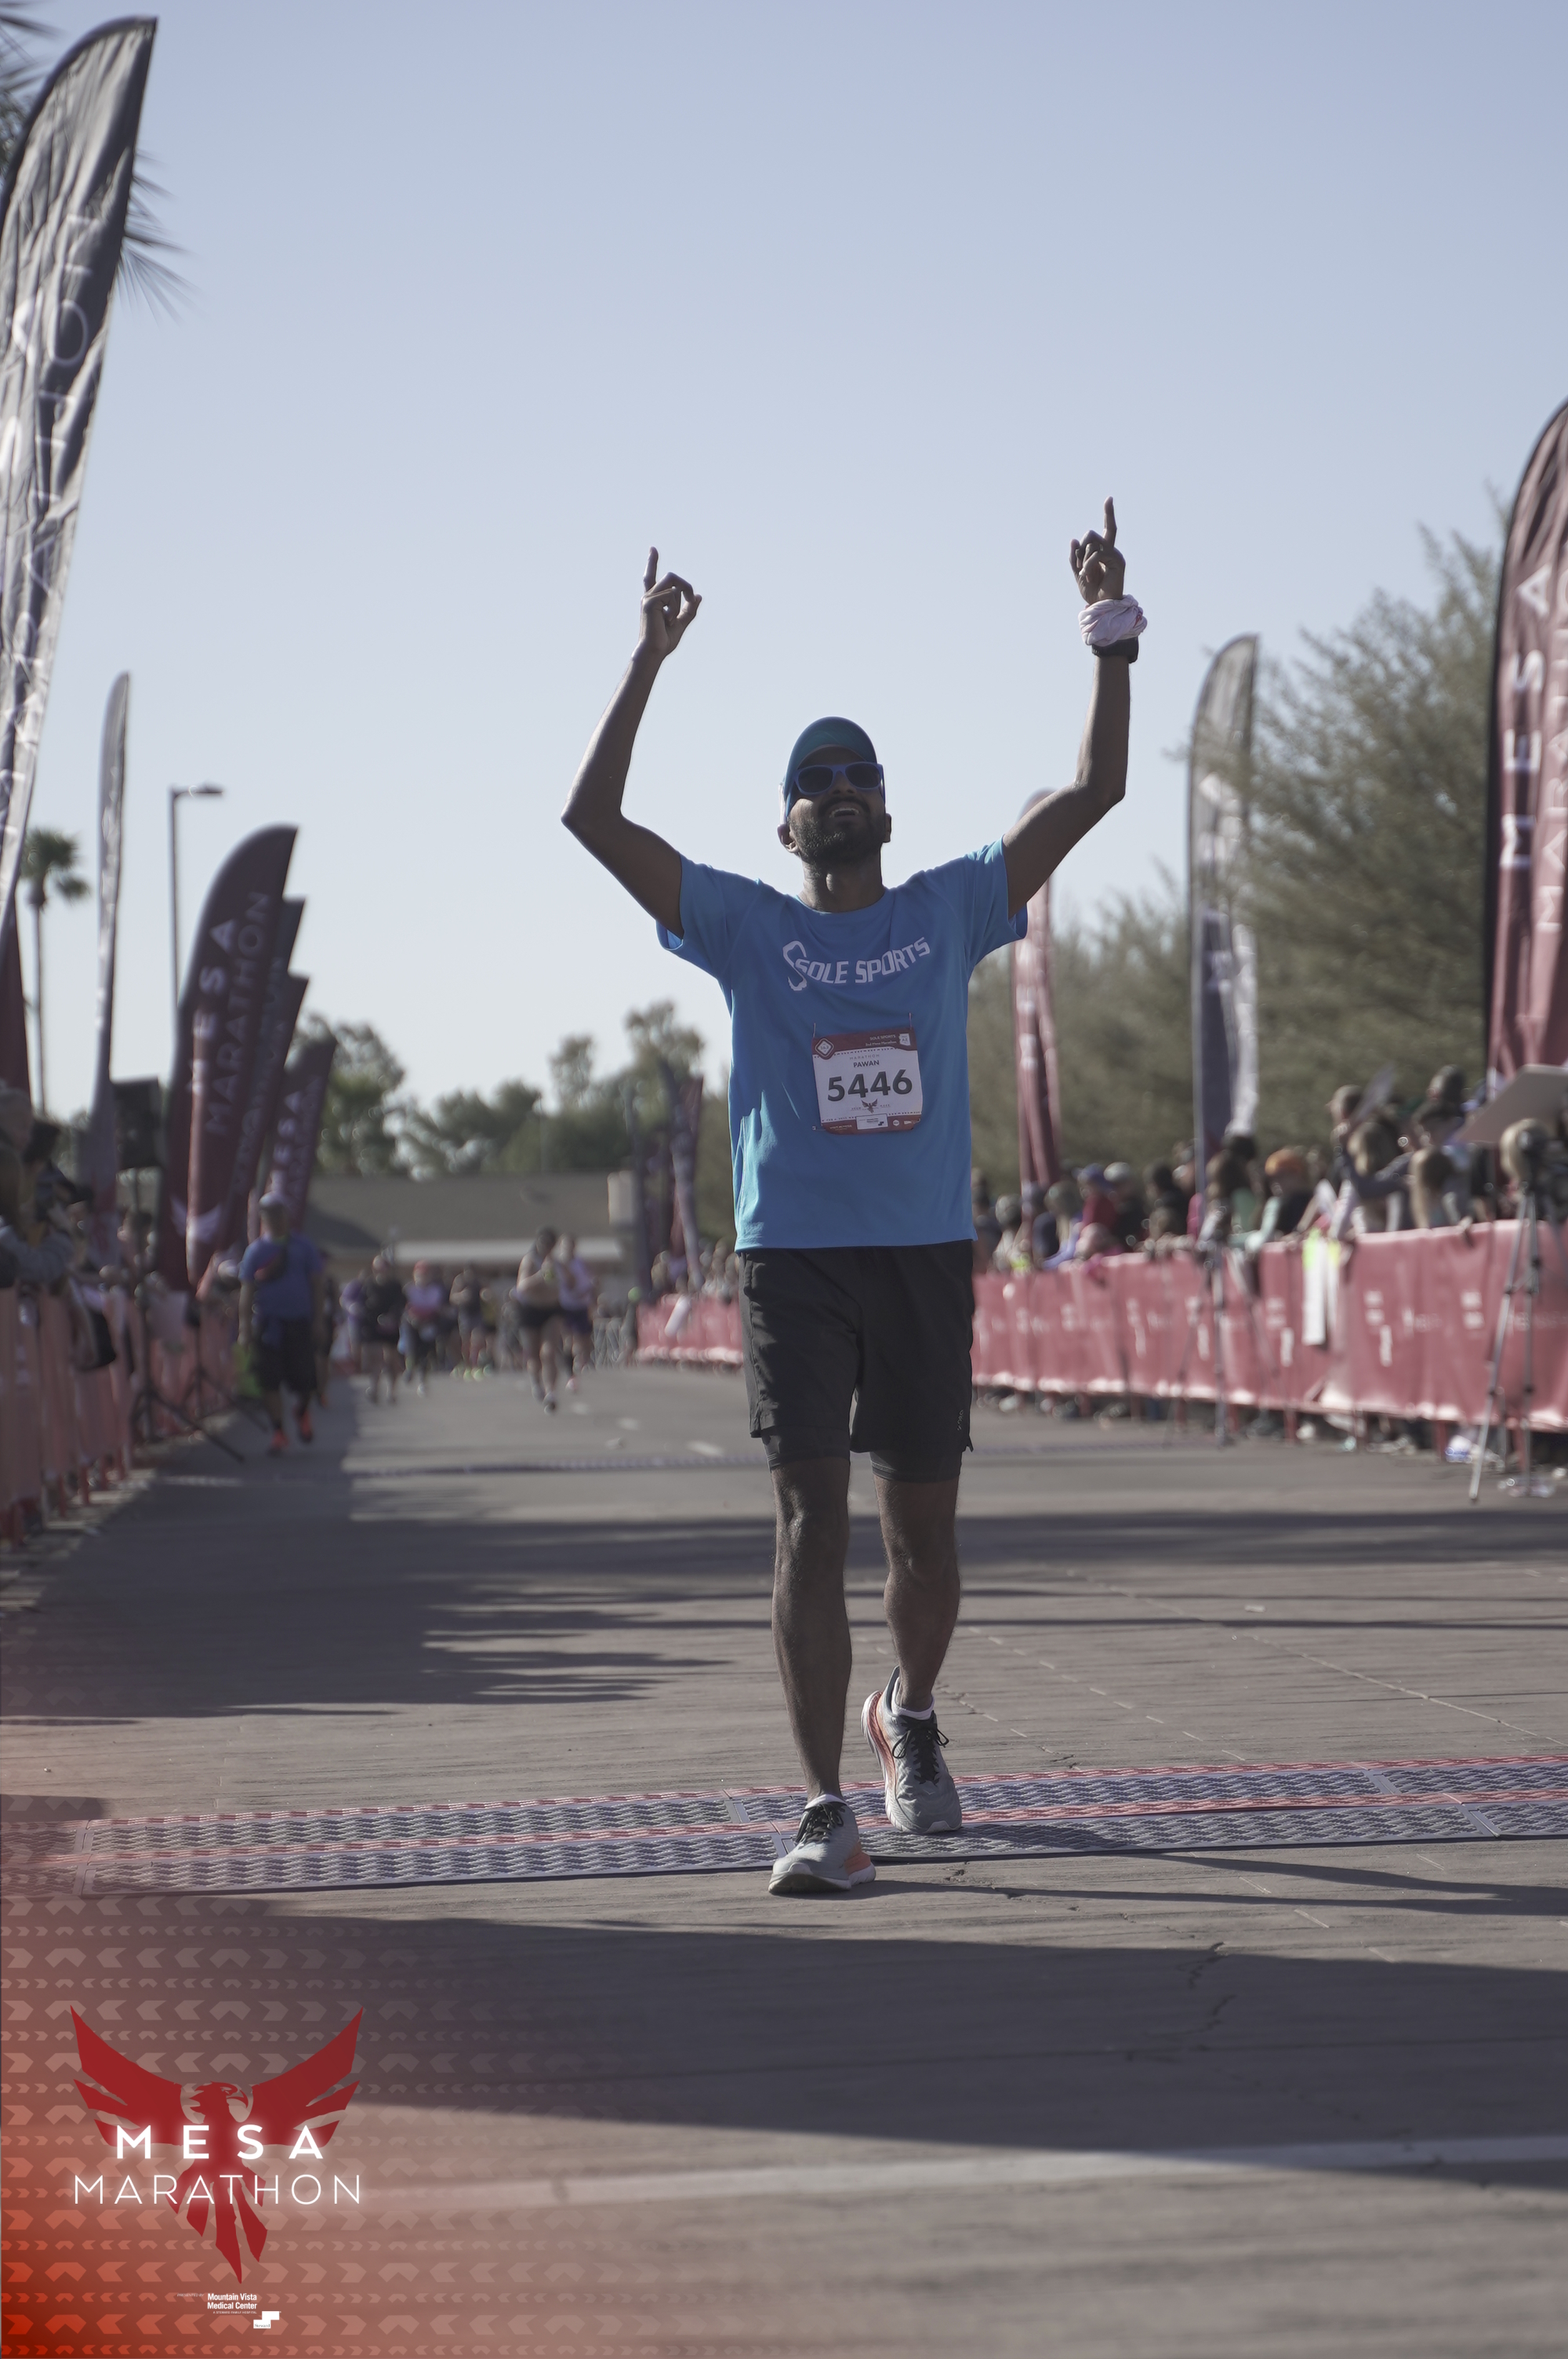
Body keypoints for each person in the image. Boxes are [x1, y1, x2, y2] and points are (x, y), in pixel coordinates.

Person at [561, 503, 1138, 1895]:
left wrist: (1109, 636)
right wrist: (645, 661)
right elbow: (591, 819)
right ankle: (825, 1804)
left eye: (857, 774)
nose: (836, 789)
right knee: (809, 1521)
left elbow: (1096, 792)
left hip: (925, 1252)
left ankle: (910, 1712)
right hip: (795, 1258)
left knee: (922, 1534)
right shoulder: (745, 924)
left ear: (886, 808)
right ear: (786, 822)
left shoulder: (948, 907)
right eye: (813, 780)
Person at [238, 1194, 325, 1456]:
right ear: (262, 1218)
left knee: (305, 1381)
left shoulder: (304, 1247)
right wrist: (245, 1328)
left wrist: (319, 1320)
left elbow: (317, 1285)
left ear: (286, 1215)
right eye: (269, 1213)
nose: (275, 1218)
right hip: (269, 1326)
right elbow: (246, 1290)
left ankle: (301, 1410)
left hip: (299, 1322)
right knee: (269, 1381)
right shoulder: (256, 1251)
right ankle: (279, 1432)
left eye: (278, 1212)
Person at [515, 1227, 563, 1409]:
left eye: (550, 1244)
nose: (547, 1247)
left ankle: (551, 1393)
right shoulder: (530, 1260)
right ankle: (536, 1382)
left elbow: (569, 1283)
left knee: (549, 1352)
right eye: (544, 1243)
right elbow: (522, 1287)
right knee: (533, 1354)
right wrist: (540, 1276)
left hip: (552, 1310)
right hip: (531, 1310)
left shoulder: (556, 1262)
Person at [552, 1234, 597, 1390]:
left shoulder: (581, 1263)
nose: (568, 1248)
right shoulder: (556, 1264)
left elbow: (591, 1282)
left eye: (571, 1245)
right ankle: (570, 1373)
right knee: (568, 1340)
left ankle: (582, 1360)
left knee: (584, 1339)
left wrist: (589, 1295)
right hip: (565, 1305)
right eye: (565, 1245)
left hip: (581, 1305)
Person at [359, 1254, 406, 1402]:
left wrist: (392, 1317)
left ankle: (392, 1391)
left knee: (391, 1359)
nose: (380, 1271)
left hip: (391, 1326)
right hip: (373, 1326)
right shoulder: (368, 1285)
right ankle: (374, 1388)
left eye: (383, 1268)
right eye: (377, 1268)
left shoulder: (395, 1285)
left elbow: (401, 1304)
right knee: (375, 1358)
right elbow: (363, 1305)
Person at [451, 1262, 488, 1374]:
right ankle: (467, 1364)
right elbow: (452, 1297)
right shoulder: (460, 1281)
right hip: (465, 1315)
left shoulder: (479, 1281)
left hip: (477, 1313)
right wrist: (461, 1296)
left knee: (477, 1338)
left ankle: (475, 1364)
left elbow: (487, 1291)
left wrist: (486, 1295)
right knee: (466, 1341)